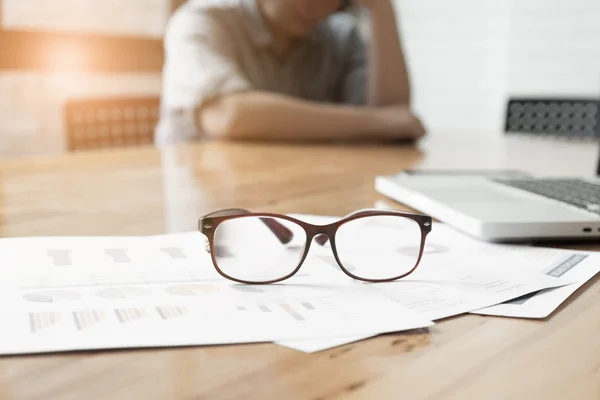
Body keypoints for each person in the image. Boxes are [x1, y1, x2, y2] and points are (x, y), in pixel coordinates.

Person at [156, 0, 425, 145]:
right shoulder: (201, 21)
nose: (315, 5)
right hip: (198, 210)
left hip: (299, 198)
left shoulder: (340, 35)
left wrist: (381, 7)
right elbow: (230, 115)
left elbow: (395, 115)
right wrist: (376, 124)